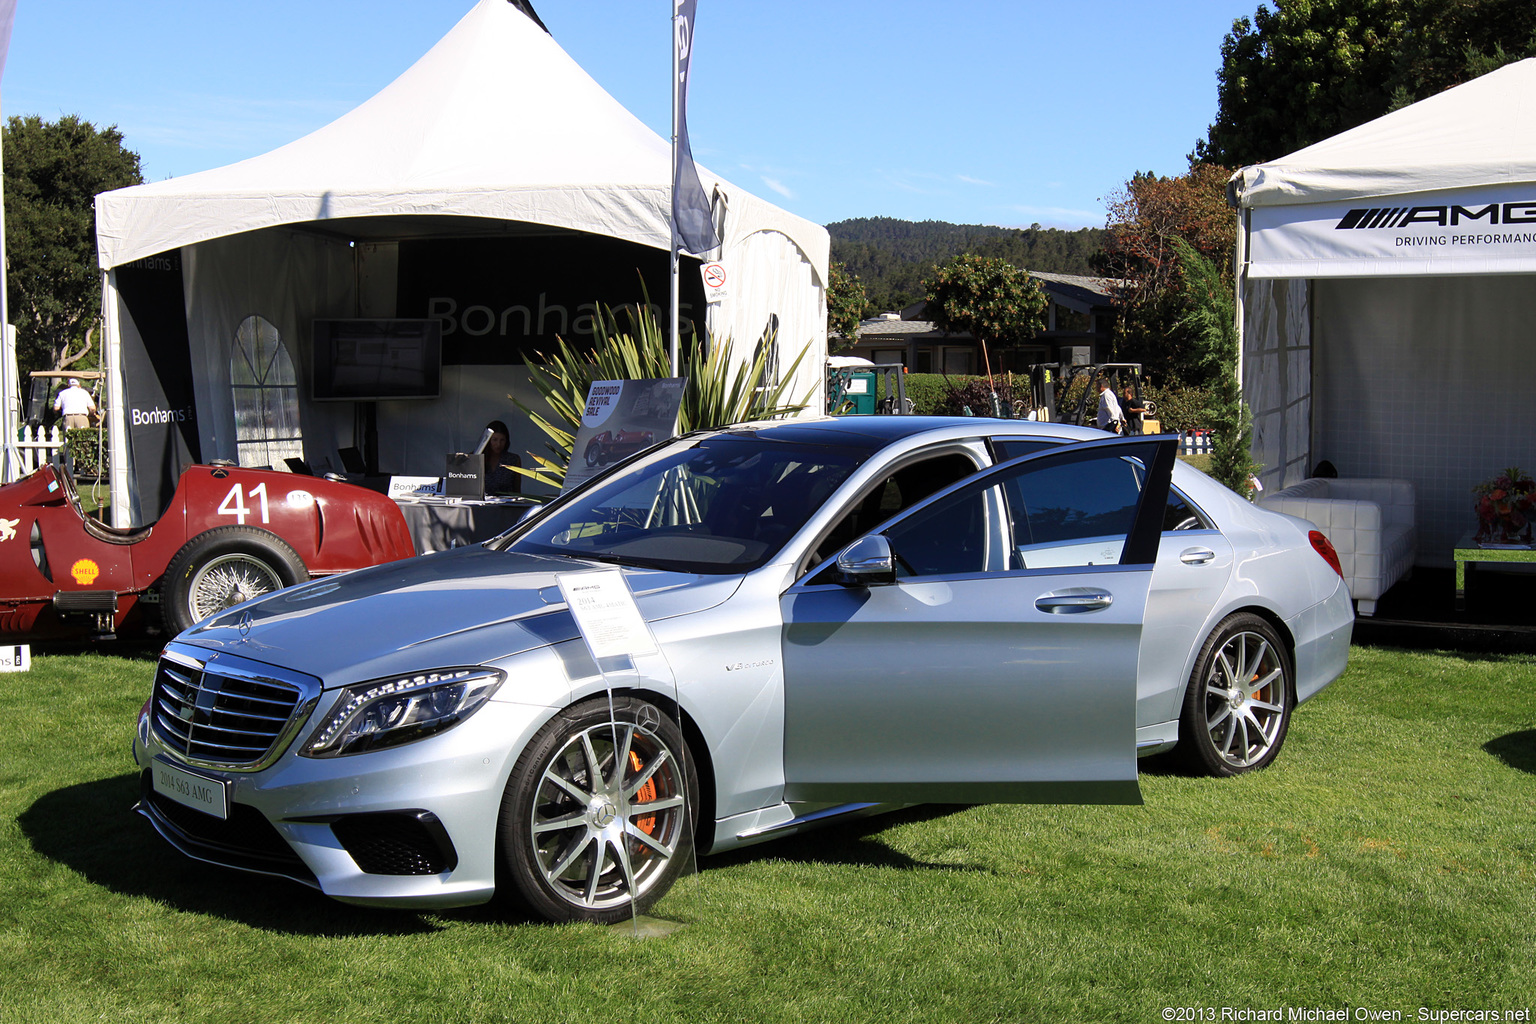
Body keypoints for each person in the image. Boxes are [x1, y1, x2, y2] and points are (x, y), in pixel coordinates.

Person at [481, 419, 521, 494]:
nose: (498, 444)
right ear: (488, 440)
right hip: (481, 504)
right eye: (495, 440)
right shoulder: (477, 458)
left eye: (502, 440)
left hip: (507, 503)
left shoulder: (513, 460)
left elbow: (517, 490)